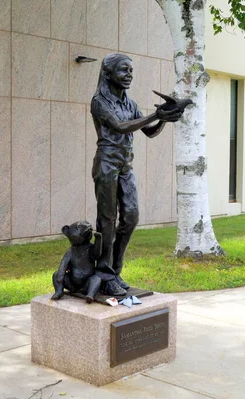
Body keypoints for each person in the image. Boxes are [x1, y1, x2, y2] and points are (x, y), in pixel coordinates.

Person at [90, 53, 182, 296]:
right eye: (123, 70)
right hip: (107, 163)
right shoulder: (100, 101)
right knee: (107, 221)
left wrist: (164, 118)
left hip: (125, 165)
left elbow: (148, 131)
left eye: (131, 70)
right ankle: (104, 273)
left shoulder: (130, 104)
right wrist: (155, 115)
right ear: (108, 74)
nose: (129, 74)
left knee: (131, 217)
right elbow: (120, 127)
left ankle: (115, 272)